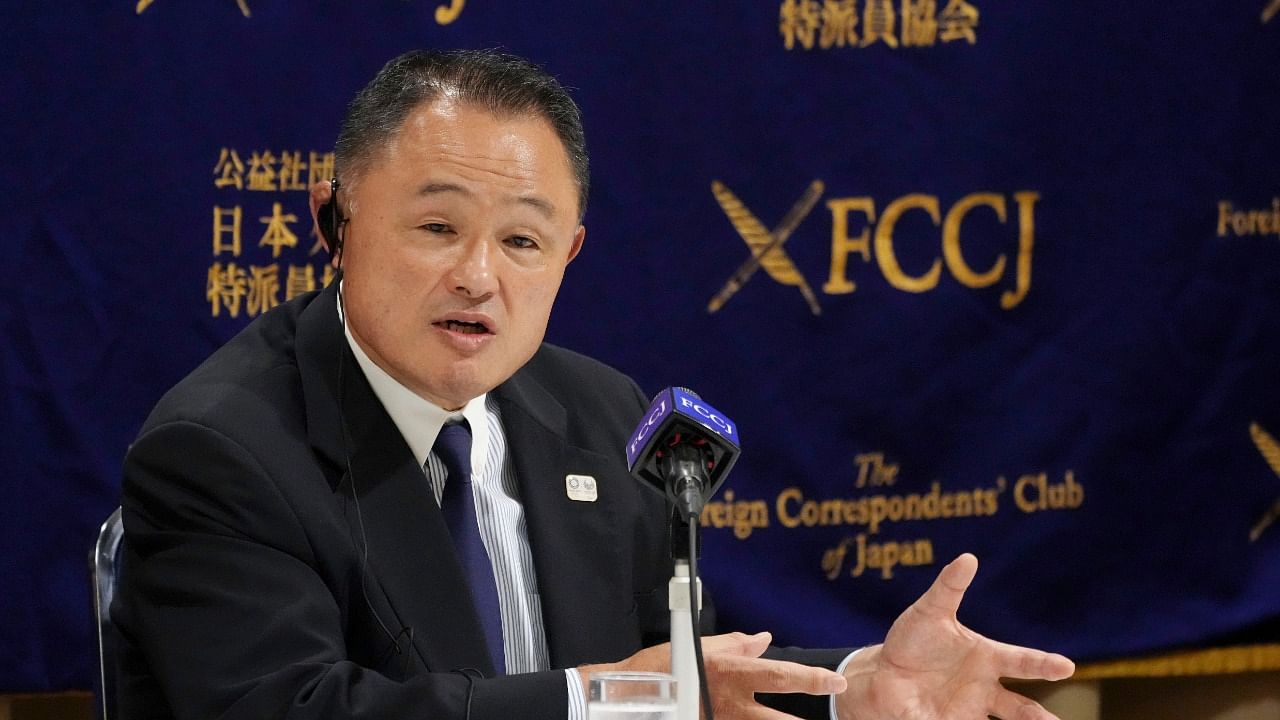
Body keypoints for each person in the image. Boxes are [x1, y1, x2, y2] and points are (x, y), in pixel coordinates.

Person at [115, 48, 1074, 720]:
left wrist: (856, 687)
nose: (480, 276)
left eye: (523, 241)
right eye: (437, 228)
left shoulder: (598, 412)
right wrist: (604, 701)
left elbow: (688, 684)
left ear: (570, 254)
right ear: (334, 221)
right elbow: (296, 711)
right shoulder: (222, 450)